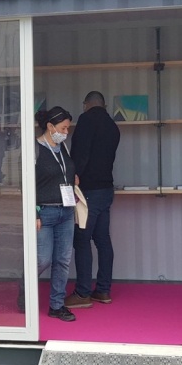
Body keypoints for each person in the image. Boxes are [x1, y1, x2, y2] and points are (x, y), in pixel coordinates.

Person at [21, 105, 78, 322]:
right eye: (63, 128)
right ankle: (24, 289)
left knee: (62, 260)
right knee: (42, 260)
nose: (66, 132)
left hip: (66, 211)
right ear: (50, 126)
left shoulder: (63, 149)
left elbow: (65, 173)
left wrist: (72, 178)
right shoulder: (34, 150)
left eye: (67, 129)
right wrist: (34, 212)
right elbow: (26, 185)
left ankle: (57, 305)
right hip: (44, 212)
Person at [66, 90, 121, 308]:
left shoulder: (86, 120)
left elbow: (80, 154)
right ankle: (103, 290)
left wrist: (72, 177)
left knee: (82, 239)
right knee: (102, 239)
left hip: (88, 190)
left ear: (86, 104)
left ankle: (82, 293)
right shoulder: (113, 126)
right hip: (107, 189)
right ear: (104, 105)